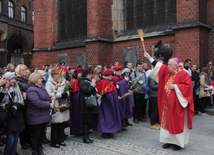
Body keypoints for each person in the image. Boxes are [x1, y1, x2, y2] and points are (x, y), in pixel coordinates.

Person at [144, 50, 194, 151]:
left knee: (176, 123)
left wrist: (175, 86)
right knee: (166, 122)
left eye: (170, 65)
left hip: (177, 105)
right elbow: (160, 67)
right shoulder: (168, 71)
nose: (167, 66)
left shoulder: (183, 74)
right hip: (167, 104)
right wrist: (149, 58)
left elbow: (188, 88)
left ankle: (178, 143)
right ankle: (168, 141)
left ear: (175, 66)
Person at [26, 71, 54, 155]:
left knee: (41, 134)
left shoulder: (41, 87)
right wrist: (49, 105)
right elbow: (37, 102)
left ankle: (40, 149)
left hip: (43, 115)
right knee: (36, 135)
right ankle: (34, 151)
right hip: (35, 116)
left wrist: (50, 98)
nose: (41, 80)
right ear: (35, 79)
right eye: (39, 78)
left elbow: (45, 97)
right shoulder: (31, 90)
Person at [0, 72, 25, 155]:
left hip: (16, 115)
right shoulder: (2, 89)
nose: (14, 81)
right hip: (7, 116)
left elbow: (21, 101)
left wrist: (15, 106)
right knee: (10, 140)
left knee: (15, 139)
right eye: (11, 79)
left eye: (14, 78)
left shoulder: (16, 88)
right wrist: (4, 89)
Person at [45, 66, 70, 148]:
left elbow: (67, 90)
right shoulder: (49, 83)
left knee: (62, 124)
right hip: (55, 104)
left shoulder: (63, 81)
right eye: (58, 75)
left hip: (63, 104)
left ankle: (61, 139)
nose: (60, 77)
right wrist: (60, 95)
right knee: (55, 124)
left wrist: (67, 93)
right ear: (54, 75)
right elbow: (48, 94)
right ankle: (54, 141)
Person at [78, 66, 98, 143]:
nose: (91, 76)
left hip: (90, 103)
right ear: (86, 75)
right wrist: (92, 84)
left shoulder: (87, 81)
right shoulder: (82, 82)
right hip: (86, 104)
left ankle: (87, 136)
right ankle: (85, 137)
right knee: (86, 121)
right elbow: (86, 90)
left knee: (89, 120)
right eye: (90, 74)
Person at [15, 64, 31, 150]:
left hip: (30, 104)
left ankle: (29, 140)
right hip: (23, 105)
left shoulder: (28, 80)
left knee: (29, 124)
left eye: (26, 69)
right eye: (23, 70)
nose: (25, 71)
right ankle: (23, 142)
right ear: (19, 72)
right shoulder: (17, 81)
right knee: (24, 124)